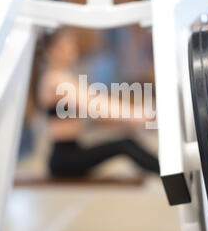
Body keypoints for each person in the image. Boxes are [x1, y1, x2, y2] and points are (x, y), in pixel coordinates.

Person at [35, 28, 159, 177]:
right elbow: (93, 105)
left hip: (74, 150)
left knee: (126, 143)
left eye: (71, 45)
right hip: (64, 158)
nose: (71, 50)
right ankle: (169, 174)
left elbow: (98, 102)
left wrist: (132, 115)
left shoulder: (65, 77)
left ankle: (167, 173)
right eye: (64, 46)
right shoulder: (54, 79)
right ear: (50, 52)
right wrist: (133, 115)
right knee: (125, 145)